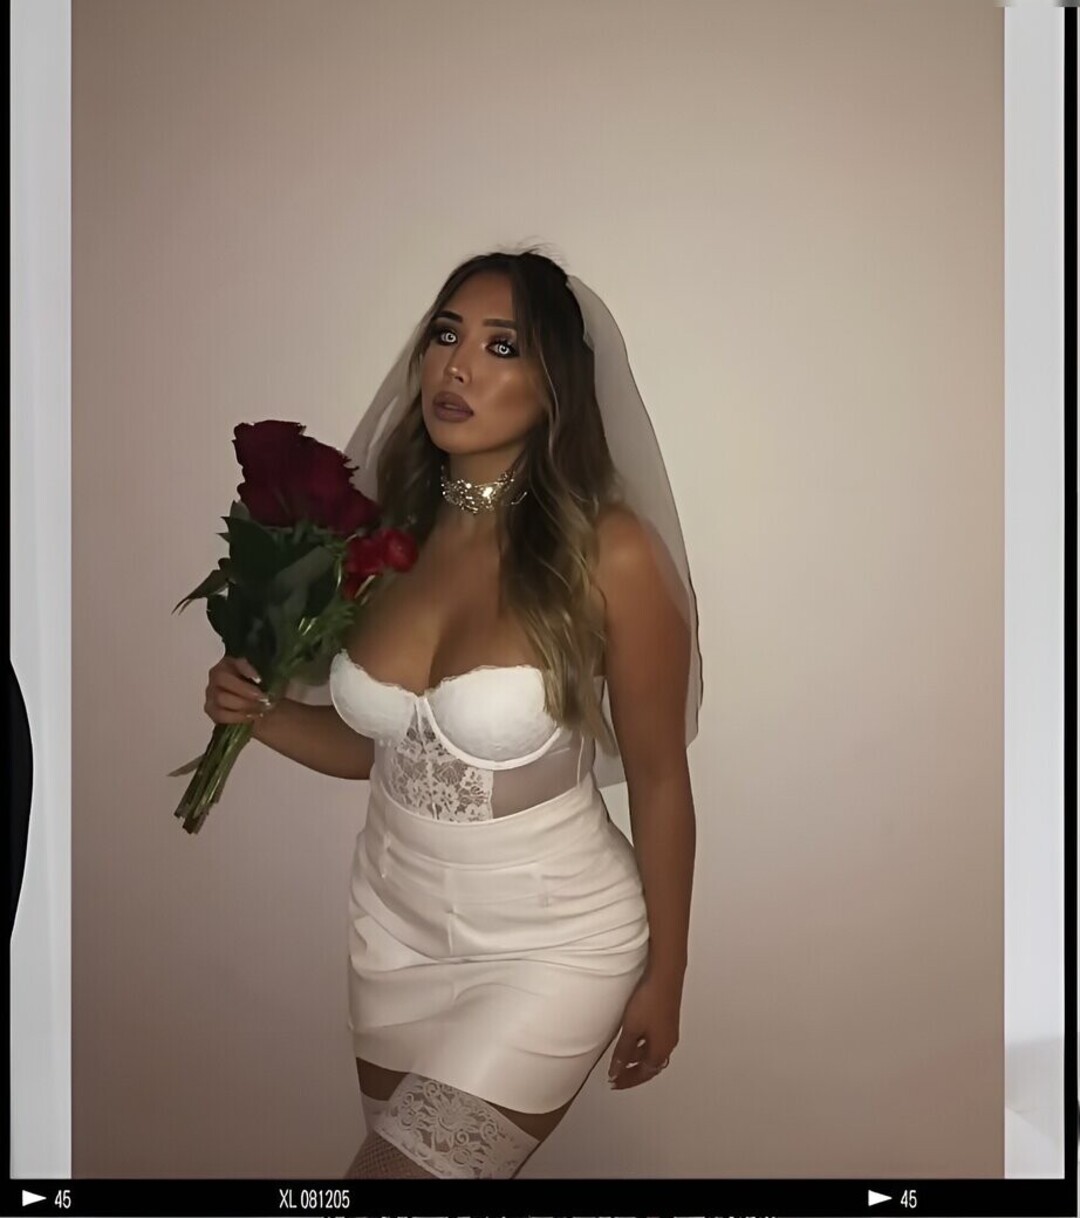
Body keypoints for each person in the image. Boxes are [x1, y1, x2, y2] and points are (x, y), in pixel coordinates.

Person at [203, 247, 701, 1179]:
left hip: (554, 946)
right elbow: (385, 752)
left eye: (501, 346)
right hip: (391, 935)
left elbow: (661, 777)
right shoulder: (380, 537)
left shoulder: (610, 553)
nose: (458, 367)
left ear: (555, 387)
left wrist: (666, 975)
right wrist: (259, 715)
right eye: (446, 335)